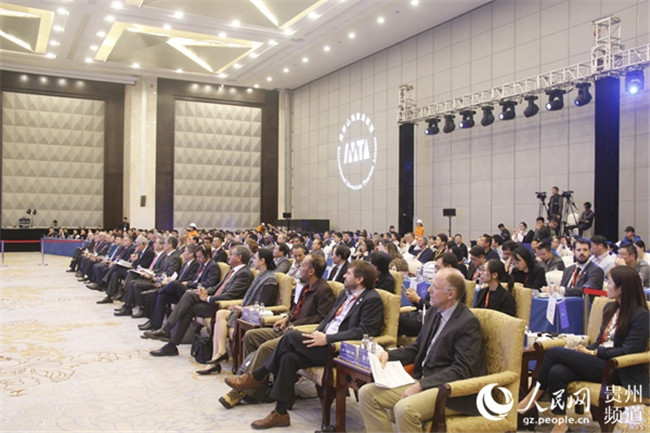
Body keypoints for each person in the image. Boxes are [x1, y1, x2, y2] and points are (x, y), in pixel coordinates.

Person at [224, 261, 384, 429]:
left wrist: (328, 339)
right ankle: (280, 413)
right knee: (288, 358)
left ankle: (257, 375)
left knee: (290, 336)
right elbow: (328, 319)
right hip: (321, 340)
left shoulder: (372, 299)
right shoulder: (345, 294)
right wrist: (317, 333)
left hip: (339, 349)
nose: (344, 275)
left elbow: (364, 331)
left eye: (349, 273)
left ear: (359, 279)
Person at [518, 266, 649, 433]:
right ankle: (561, 425)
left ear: (622, 289)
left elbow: (629, 350)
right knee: (557, 372)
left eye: (610, 282)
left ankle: (531, 399)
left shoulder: (641, 316)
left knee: (553, 352)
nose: (606, 286)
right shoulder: (610, 309)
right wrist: (586, 349)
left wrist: (594, 352)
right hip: (599, 361)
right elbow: (601, 341)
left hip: (618, 368)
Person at [358, 268, 487, 433]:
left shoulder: (467, 323)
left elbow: (462, 370)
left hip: (450, 393)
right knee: (367, 393)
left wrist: (421, 385)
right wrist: (388, 354)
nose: (429, 290)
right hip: (424, 380)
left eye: (435, 287)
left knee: (405, 409)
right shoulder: (434, 312)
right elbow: (418, 348)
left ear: (451, 294)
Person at [218, 254, 335, 408]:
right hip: (288, 327)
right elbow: (296, 309)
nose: (299, 268)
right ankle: (253, 384)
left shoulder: (323, 290)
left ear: (311, 271)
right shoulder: (306, 286)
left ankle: (246, 390)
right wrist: (286, 318)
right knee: (251, 336)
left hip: (300, 333)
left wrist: (295, 325)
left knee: (266, 348)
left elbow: (322, 319)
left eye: (302, 266)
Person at [198, 248, 278, 375]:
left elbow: (263, 305)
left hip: (254, 316)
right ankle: (219, 354)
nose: (253, 260)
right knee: (220, 313)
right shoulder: (260, 275)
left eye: (255, 258)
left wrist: (242, 309)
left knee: (222, 314)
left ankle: (217, 358)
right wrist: (239, 306)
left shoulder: (270, 280)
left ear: (262, 261)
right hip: (246, 310)